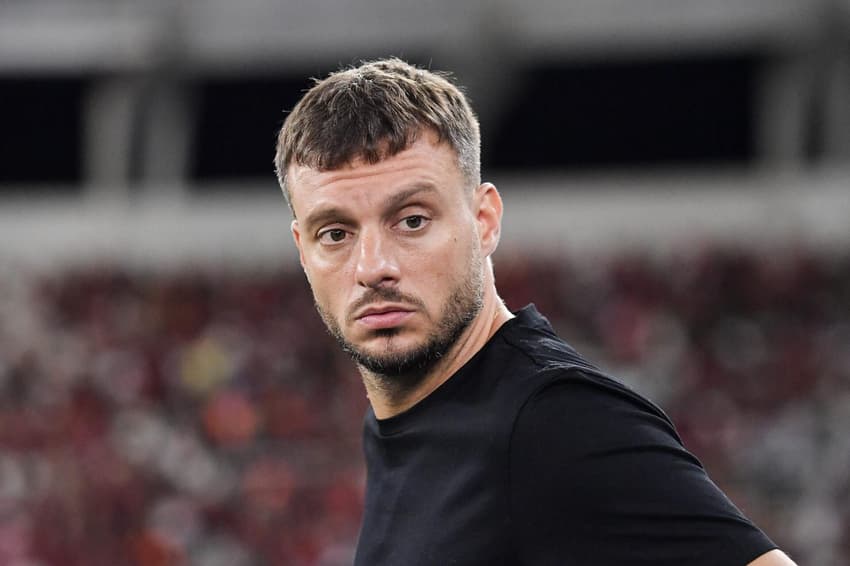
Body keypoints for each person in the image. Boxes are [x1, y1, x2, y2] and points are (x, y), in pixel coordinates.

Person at [274, 58, 797, 565]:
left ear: (484, 221)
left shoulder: (555, 422)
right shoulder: (402, 416)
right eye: (336, 234)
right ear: (303, 250)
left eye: (411, 221)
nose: (373, 267)